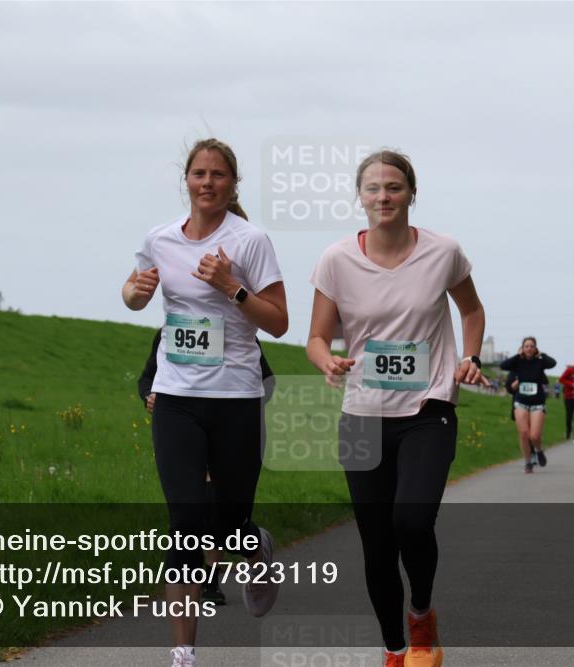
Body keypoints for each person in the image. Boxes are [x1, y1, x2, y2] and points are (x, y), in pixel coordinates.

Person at [307, 149, 485, 667]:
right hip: (363, 411)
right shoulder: (337, 259)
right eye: (372, 189)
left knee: (411, 521)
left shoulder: (443, 252)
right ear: (359, 197)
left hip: (428, 408)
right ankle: (394, 649)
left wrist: (469, 356)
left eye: (394, 187)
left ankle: (422, 615)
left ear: (412, 193)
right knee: (377, 543)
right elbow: (317, 336)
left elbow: (471, 309)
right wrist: (328, 361)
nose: (383, 197)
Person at [123, 138, 289, 667]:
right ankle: (183, 654)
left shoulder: (251, 241)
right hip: (175, 397)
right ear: (186, 180)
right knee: (186, 521)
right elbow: (131, 291)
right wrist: (137, 293)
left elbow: (280, 323)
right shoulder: (160, 239)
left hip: (236, 397)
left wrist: (231, 288)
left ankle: (254, 545)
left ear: (233, 184)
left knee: (228, 522)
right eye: (199, 173)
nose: (208, 183)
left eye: (219, 175)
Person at [137, 329, 276, 605]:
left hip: (230, 429)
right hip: (186, 428)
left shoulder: (240, 333)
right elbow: (147, 378)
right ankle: (209, 583)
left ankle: (254, 548)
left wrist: (236, 410)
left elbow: (267, 382)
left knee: (225, 520)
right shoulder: (169, 332)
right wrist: (150, 396)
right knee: (191, 513)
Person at [500, 337, 557, 473]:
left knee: (534, 436)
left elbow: (553, 363)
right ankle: (527, 461)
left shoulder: (540, 362)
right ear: (522, 348)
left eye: (532, 346)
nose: (529, 348)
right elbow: (503, 365)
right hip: (521, 402)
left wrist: (541, 355)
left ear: (535, 348)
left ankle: (538, 450)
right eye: (526, 346)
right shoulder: (518, 362)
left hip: (537, 403)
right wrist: (517, 356)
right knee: (524, 433)